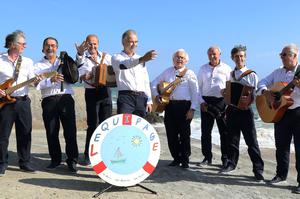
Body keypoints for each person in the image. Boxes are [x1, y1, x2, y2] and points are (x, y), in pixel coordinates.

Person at [257, 44, 300, 194]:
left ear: (294, 56)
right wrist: (266, 92)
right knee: (281, 146)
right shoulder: (277, 72)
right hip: (280, 114)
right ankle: (281, 175)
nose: (281, 57)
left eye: (284, 55)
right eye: (281, 55)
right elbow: (261, 82)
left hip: (298, 113)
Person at [0, 30, 42, 176]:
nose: (25, 45)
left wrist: (37, 80)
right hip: (5, 103)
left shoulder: (28, 62)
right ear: (12, 44)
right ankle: (2, 163)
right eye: (22, 43)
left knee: (25, 133)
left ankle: (24, 162)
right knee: (2, 134)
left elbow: (32, 82)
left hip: (23, 101)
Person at [220, 45, 264, 182]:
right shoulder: (231, 74)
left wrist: (250, 98)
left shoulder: (252, 74)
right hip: (232, 111)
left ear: (245, 58)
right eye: (237, 56)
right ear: (232, 58)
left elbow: (258, 94)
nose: (239, 59)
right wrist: (224, 93)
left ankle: (258, 170)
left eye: (242, 56)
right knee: (232, 141)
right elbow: (228, 92)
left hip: (246, 112)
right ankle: (231, 164)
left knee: (252, 142)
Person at [34, 37, 79, 173]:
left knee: (70, 131)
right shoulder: (37, 66)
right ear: (43, 48)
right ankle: (55, 160)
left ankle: (72, 161)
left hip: (66, 98)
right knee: (52, 132)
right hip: (49, 99)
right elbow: (36, 84)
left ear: (57, 48)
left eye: (53, 45)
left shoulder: (65, 61)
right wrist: (50, 80)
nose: (50, 48)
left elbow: (76, 75)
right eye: (47, 45)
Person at [151, 49, 198, 169]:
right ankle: (176, 158)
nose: (179, 59)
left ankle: (185, 160)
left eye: (182, 57)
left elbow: (195, 93)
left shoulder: (190, 73)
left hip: (185, 106)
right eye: (177, 57)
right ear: (173, 59)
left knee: (184, 135)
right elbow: (154, 83)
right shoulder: (167, 72)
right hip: (170, 106)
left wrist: (192, 109)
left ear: (186, 60)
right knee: (171, 134)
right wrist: (157, 96)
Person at [75, 34, 112, 166]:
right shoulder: (82, 57)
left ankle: (104, 154)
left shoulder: (107, 56)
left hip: (106, 92)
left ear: (98, 44)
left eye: (95, 43)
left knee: (106, 124)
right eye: (90, 43)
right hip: (91, 92)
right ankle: (88, 155)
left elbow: (114, 72)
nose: (92, 46)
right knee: (93, 124)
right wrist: (85, 75)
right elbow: (77, 71)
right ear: (86, 44)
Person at [197, 46, 231, 168]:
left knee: (224, 132)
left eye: (215, 54)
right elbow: (198, 88)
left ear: (220, 54)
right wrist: (201, 102)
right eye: (210, 54)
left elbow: (230, 89)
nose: (212, 56)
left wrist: (228, 104)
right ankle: (207, 157)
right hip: (206, 101)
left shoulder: (227, 68)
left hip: (221, 102)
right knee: (205, 132)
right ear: (207, 55)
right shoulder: (202, 69)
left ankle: (225, 158)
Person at [111, 29, 157, 117]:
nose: (134, 45)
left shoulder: (140, 58)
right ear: (123, 42)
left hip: (141, 97)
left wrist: (149, 100)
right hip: (126, 97)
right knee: (125, 126)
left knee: (139, 128)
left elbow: (145, 80)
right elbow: (124, 64)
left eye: (136, 42)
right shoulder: (116, 57)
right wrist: (142, 59)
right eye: (131, 42)